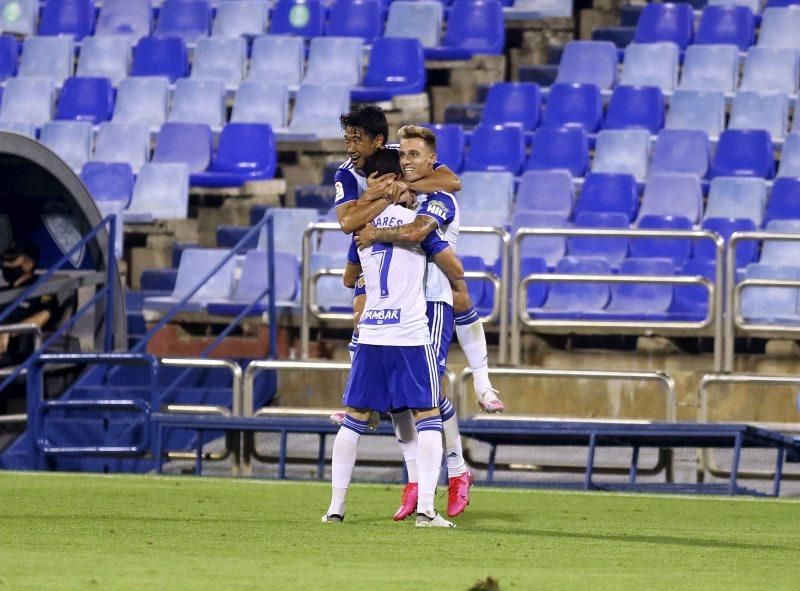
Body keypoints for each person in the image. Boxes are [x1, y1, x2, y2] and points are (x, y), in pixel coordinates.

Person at [332, 107, 504, 518]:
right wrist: (377, 199)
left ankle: (457, 471)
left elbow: (450, 186)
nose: (407, 161)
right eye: (404, 158)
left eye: (358, 139)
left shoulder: (433, 193)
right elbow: (347, 233)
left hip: (431, 299)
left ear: (378, 142)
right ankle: (415, 481)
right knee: (400, 402)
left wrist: (387, 204)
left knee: (427, 395)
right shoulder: (349, 174)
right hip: (392, 302)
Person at [323, 199, 462, 528]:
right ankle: (427, 510)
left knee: (354, 420)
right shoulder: (417, 222)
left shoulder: (362, 224)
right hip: (409, 334)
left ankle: (335, 509)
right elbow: (455, 269)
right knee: (428, 416)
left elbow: (348, 278)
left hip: (371, 331)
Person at [0, 244, 57, 366]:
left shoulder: (42, 289)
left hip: (16, 350)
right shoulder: (3, 292)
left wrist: (7, 331)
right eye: (4, 260)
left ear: (28, 263)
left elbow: (44, 315)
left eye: (11, 260)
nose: (5, 264)